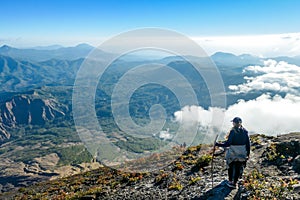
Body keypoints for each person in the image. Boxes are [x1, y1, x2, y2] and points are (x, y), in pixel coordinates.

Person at [215, 117, 250, 188]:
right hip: (242, 152)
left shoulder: (233, 132)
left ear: (234, 123)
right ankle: (235, 182)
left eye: (233, 122)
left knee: (230, 165)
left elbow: (228, 144)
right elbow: (248, 144)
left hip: (233, 152)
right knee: (238, 166)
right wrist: (247, 154)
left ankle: (230, 181)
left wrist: (217, 144)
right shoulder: (245, 131)